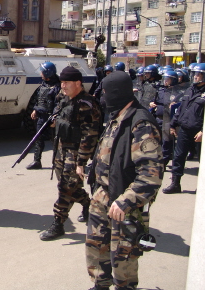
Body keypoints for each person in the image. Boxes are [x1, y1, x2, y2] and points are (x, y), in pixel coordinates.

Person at [86, 71, 163, 290]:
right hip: (102, 196)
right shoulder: (116, 117)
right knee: (97, 247)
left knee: (123, 258)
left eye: (106, 93)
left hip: (123, 202)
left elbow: (151, 173)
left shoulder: (141, 124)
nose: (103, 97)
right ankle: (100, 284)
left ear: (116, 93)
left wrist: (126, 201)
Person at [39, 67, 102, 240]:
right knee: (69, 184)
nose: (63, 86)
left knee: (65, 187)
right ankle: (87, 203)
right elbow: (59, 114)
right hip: (61, 147)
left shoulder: (88, 104)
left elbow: (90, 135)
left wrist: (81, 161)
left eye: (66, 83)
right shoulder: (63, 97)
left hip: (75, 152)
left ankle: (58, 223)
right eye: (62, 82)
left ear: (78, 83)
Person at [164, 63, 205, 194]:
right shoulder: (190, 90)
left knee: (201, 161)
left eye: (198, 74)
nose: (195, 77)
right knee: (178, 156)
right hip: (185, 129)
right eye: (195, 74)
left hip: (199, 132)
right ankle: (175, 184)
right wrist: (173, 124)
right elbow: (181, 109)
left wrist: (203, 131)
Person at [26, 61, 61, 170]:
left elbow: (58, 104)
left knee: (55, 140)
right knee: (38, 139)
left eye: (42, 72)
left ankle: (58, 162)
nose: (40, 73)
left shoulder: (57, 87)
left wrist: (55, 117)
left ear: (47, 73)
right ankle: (37, 161)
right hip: (42, 116)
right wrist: (35, 110)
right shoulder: (43, 85)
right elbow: (39, 99)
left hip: (52, 117)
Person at [149, 70, 184, 169]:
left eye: (167, 79)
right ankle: (156, 160)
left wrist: (175, 105)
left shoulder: (178, 92)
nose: (165, 81)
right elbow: (153, 100)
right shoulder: (161, 90)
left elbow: (181, 106)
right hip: (158, 119)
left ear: (173, 80)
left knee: (166, 142)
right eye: (165, 79)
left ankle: (164, 162)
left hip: (169, 120)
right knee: (156, 140)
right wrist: (151, 103)